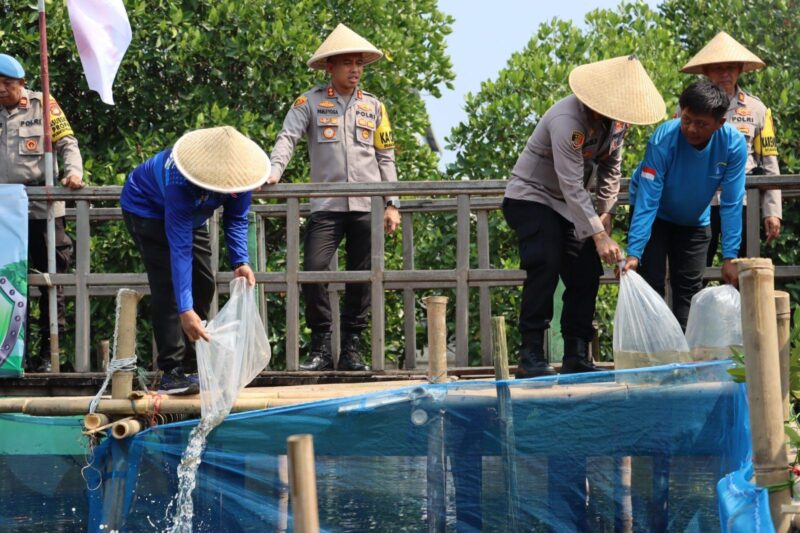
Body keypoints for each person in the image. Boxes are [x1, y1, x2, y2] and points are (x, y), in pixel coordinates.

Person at [502, 55, 666, 378]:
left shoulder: (619, 124)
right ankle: (531, 352)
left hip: (571, 206)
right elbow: (571, 183)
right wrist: (598, 234)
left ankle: (577, 351)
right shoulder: (568, 121)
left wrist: (605, 213)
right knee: (545, 260)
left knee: (587, 269)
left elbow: (610, 170)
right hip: (532, 196)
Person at [268, 24, 400, 372]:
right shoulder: (309, 102)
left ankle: (352, 348)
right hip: (326, 206)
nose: (355, 70)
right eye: (347, 63)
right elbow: (287, 137)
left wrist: (391, 203)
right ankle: (322, 344)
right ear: (331, 67)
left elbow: (385, 157)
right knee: (313, 270)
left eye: (359, 63)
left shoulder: (374, 107)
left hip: (365, 206)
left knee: (364, 276)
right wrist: (273, 171)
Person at [121, 126, 267, 394]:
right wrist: (185, 310)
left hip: (192, 214)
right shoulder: (181, 178)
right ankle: (171, 370)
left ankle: (193, 362)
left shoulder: (241, 174)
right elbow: (179, 249)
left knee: (204, 282)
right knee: (169, 288)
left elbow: (236, 218)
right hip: (147, 209)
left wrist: (240, 261)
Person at [621, 80, 747, 329]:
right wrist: (634, 252)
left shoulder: (733, 145)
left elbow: (732, 202)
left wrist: (731, 256)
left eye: (701, 124)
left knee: (690, 289)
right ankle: (654, 355)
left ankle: (684, 359)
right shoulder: (663, 139)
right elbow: (648, 198)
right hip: (654, 215)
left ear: (720, 123)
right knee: (651, 283)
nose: (691, 129)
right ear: (680, 112)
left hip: (695, 219)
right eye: (686, 119)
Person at [0, 53, 84, 372]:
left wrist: (72, 173)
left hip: (40, 209)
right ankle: (11, 353)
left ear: (22, 83)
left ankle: (52, 356)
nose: (2, 90)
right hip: (3, 214)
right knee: (8, 282)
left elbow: (67, 143)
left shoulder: (42, 104)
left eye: (8, 84)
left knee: (50, 282)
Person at [680, 31, 781, 262]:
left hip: (743, 200)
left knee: (743, 270)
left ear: (740, 70)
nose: (725, 73)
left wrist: (772, 211)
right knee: (695, 269)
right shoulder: (687, 108)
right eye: (717, 68)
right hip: (699, 201)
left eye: (731, 67)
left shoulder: (758, 109)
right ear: (706, 71)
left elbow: (768, 162)